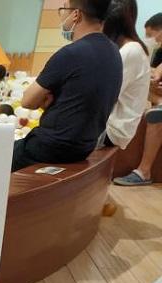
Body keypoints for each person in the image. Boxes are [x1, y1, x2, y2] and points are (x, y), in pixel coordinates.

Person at [11, 0, 122, 172]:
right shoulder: (114, 52)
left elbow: (27, 101)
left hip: (48, 148)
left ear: (76, 14)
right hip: (85, 147)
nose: (62, 15)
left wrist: (46, 101)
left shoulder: (71, 53)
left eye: (63, 9)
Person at [114, 11, 162, 184]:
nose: (150, 39)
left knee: (157, 118)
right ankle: (159, 104)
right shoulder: (156, 52)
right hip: (156, 97)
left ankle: (144, 171)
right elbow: (153, 74)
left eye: (151, 35)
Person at [101, 0, 150, 150]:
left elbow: (105, 96)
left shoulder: (130, 51)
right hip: (113, 127)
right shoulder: (130, 49)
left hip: (112, 130)